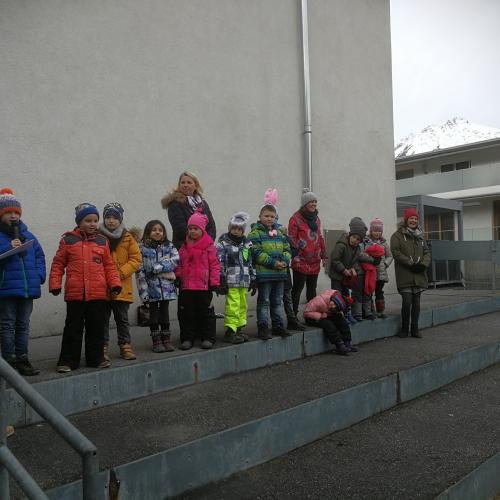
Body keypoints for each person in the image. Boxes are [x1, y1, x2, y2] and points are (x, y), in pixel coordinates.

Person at [49, 203, 122, 373]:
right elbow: (58, 264)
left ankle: (96, 359)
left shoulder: (102, 241)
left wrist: (115, 283)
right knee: (73, 328)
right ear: (79, 221)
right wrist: (55, 283)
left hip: (98, 294)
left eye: (95, 220)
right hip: (75, 294)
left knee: (96, 327)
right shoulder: (68, 240)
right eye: (88, 220)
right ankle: (67, 361)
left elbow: (109, 266)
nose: (92, 224)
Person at [0, 188, 45, 376]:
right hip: (6, 289)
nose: (13, 216)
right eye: (8, 212)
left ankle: (23, 358)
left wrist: (39, 275)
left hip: (28, 289)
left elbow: (39, 256)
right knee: (7, 324)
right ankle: (8, 361)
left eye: (16, 213)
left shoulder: (28, 235)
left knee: (23, 325)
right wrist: (7, 246)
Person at [99, 203, 142, 361]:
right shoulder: (98, 236)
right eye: (108, 217)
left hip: (122, 286)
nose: (111, 221)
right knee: (102, 319)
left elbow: (136, 259)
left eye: (114, 217)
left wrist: (120, 273)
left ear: (120, 219)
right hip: (102, 286)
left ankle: (125, 346)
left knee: (122, 319)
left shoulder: (128, 237)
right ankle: (102, 348)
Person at [176, 210, 220, 350]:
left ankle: (207, 337)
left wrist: (214, 282)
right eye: (190, 229)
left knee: (205, 313)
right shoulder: (184, 246)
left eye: (196, 229)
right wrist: (178, 276)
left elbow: (215, 265)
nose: (192, 231)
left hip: (203, 286)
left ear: (202, 230)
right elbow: (179, 263)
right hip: (187, 286)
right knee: (186, 313)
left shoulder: (209, 247)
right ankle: (188, 338)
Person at [248, 203, 291, 340]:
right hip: (265, 274)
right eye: (266, 216)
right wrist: (273, 263)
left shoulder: (280, 233)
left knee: (277, 300)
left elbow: (287, 249)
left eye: (272, 216)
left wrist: (284, 261)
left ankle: (278, 325)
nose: (269, 219)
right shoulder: (255, 234)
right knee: (264, 301)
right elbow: (257, 252)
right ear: (260, 216)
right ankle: (263, 327)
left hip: (280, 274)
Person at [136, 220, 179, 353]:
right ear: (148, 232)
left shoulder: (169, 246)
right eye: (154, 229)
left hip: (166, 286)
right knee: (153, 314)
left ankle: (166, 340)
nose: (157, 232)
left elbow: (176, 260)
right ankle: (156, 341)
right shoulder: (142, 248)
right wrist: (143, 292)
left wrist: (159, 267)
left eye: (160, 230)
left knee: (165, 313)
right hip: (151, 287)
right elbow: (140, 271)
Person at [216, 212, 256, 344]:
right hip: (231, 280)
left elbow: (250, 262)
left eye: (239, 229)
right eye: (234, 228)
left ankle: (239, 328)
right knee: (233, 305)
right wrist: (221, 279)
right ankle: (230, 331)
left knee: (242, 305)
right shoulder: (223, 244)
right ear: (229, 228)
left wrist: (253, 277)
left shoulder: (247, 244)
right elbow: (220, 263)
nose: (236, 231)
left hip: (244, 280)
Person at [288, 188, 327, 323]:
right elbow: (292, 239)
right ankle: (292, 317)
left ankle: (311, 316)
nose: (314, 204)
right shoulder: (295, 219)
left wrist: (324, 255)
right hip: (301, 261)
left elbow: (319, 237)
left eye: (315, 202)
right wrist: (295, 257)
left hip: (314, 261)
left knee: (312, 290)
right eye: (311, 202)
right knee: (297, 289)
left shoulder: (317, 219)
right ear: (305, 203)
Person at [390, 208, 430, 338]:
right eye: (411, 218)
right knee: (407, 302)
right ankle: (404, 329)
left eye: (415, 219)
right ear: (406, 219)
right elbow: (396, 252)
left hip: (419, 275)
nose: (413, 220)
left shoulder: (420, 236)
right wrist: (410, 263)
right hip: (405, 274)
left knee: (417, 303)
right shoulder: (397, 235)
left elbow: (427, 252)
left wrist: (423, 265)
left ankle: (415, 329)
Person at [328, 217, 373, 322]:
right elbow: (335, 260)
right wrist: (344, 270)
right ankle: (338, 316)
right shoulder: (341, 245)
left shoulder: (356, 248)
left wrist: (352, 269)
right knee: (337, 296)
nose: (355, 241)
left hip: (345, 276)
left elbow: (354, 260)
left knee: (346, 295)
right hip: (337, 275)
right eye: (354, 237)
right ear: (350, 235)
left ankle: (346, 314)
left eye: (358, 239)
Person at [161, 171, 216, 249]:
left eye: (189, 182)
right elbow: (180, 229)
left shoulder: (203, 203)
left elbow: (211, 226)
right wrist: (199, 242)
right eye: (182, 182)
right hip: (185, 248)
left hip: (205, 248)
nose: (185, 185)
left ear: (196, 185)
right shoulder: (175, 204)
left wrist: (207, 242)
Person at [303, 289, 357, 355]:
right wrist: (320, 316)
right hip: (312, 318)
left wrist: (339, 312)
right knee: (328, 324)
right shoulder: (319, 301)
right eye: (333, 303)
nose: (332, 306)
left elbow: (335, 309)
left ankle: (347, 342)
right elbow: (306, 312)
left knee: (341, 319)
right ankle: (339, 345)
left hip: (326, 314)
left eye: (335, 307)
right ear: (332, 299)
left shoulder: (335, 300)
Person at [364, 218, 393, 318]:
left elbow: (390, 255)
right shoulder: (367, 242)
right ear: (371, 231)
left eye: (379, 231)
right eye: (375, 230)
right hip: (370, 272)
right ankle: (371, 311)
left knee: (379, 292)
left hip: (381, 273)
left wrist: (385, 264)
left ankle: (381, 311)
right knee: (369, 293)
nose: (377, 233)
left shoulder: (384, 243)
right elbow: (364, 254)